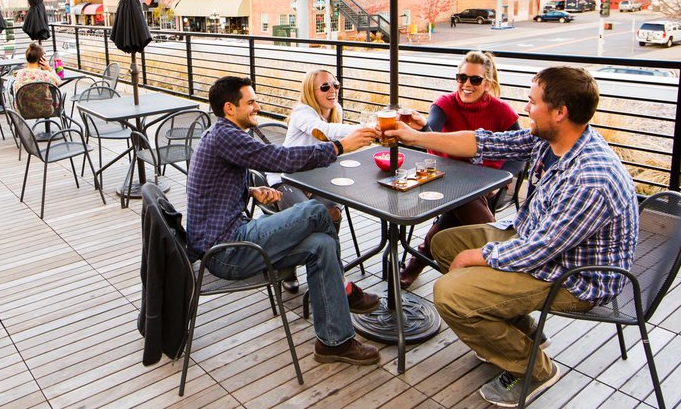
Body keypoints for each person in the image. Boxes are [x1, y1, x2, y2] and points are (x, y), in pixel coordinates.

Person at [383, 66, 638, 407]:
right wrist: (414, 137)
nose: (525, 108)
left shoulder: (591, 178)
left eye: (532, 102)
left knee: (450, 293)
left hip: (573, 278)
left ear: (560, 112)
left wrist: (477, 257)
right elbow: (482, 141)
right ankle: (522, 332)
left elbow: (539, 251)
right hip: (539, 244)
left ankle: (533, 369)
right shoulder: (551, 140)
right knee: (445, 244)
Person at [187, 76, 382, 365]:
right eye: (250, 102)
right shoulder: (226, 136)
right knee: (317, 211)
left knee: (321, 245)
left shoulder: (220, 135)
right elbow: (279, 158)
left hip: (230, 238)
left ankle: (334, 341)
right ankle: (342, 288)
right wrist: (339, 147)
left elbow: (211, 187)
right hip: (226, 250)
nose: (257, 106)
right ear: (230, 108)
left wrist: (250, 190)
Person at [399, 51, 522, 289]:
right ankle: (496, 251)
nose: (466, 84)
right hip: (448, 179)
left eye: (475, 80)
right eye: (461, 77)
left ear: (487, 83)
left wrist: (502, 180)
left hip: (490, 185)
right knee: (462, 200)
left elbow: (520, 153)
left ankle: (419, 259)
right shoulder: (445, 103)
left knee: (462, 204)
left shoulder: (501, 110)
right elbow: (430, 131)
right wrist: (421, 128)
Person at [265, 69, 360, 293]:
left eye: (335, 85)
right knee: (304, 215)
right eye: (325, 87)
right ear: (310, 91)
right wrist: (364, 129)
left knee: (333, 211)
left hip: (315, 179)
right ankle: (287, 269)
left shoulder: (336, 110)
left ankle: (327, 268)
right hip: (285, 176)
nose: (333, 91)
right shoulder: (302, 112)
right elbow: (323, 133)